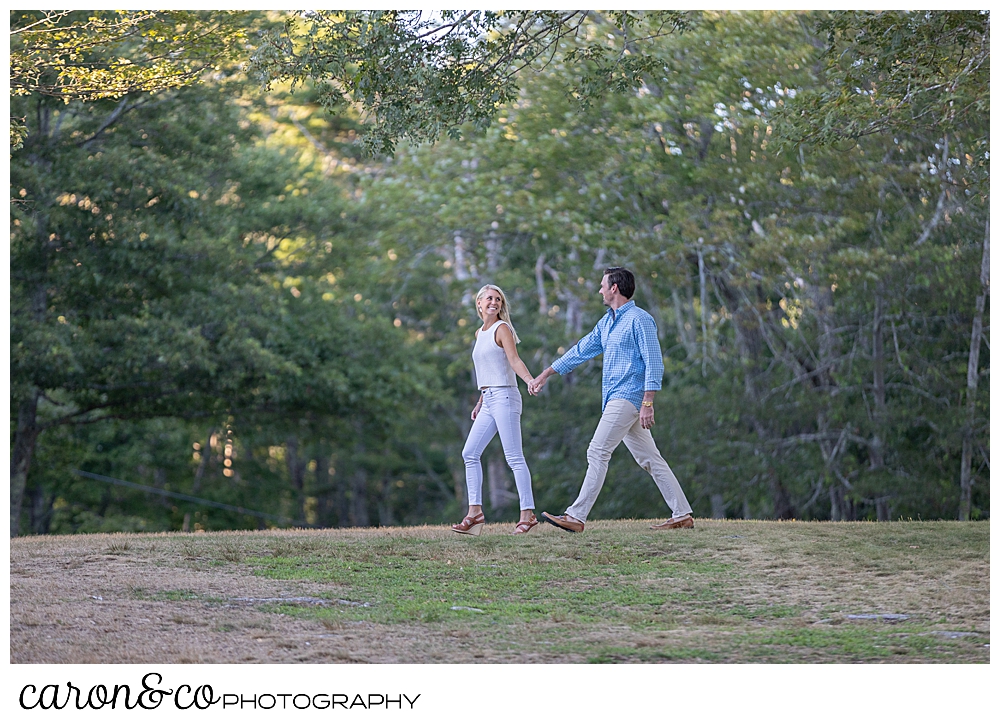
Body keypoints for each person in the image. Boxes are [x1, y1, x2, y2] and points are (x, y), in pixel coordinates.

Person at [529, 267, 694, 532]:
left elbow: (654, 362)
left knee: (597, 450)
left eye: (602, 285)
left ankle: (576, 516)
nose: (600, 290)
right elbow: (581, 350)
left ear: (614, 288)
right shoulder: (607, 322)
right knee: (650, 459)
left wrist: (648, 402)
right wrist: (547, 373)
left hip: (628, 397)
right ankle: (682, 514)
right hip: (615, 399)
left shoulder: (640, 320)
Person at [452, 284, 539, 536]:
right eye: (489, 298)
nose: (495, 302)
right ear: (479, 303)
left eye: (498, 299)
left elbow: (514, 360)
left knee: (514, 457)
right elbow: (488, 368)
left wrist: (530, 380)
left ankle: (527, 515)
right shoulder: (480, 333)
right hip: (489, 398)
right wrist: (481, 400)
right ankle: (475, 514)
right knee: (469, 453)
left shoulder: (503, 329)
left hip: (506, 397)